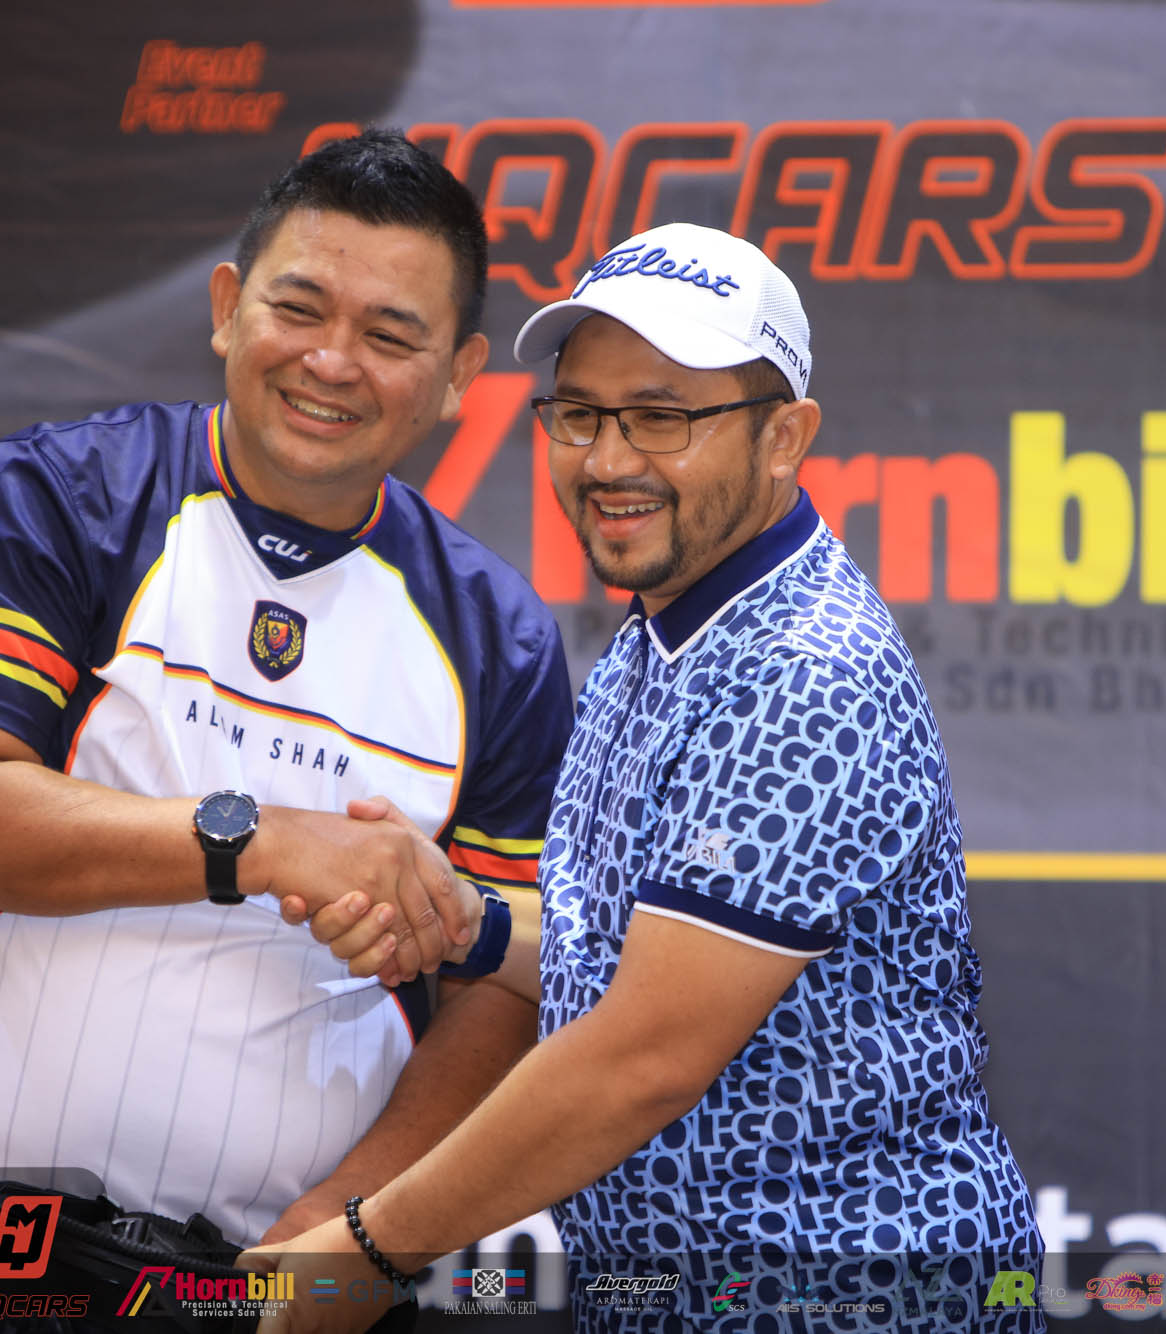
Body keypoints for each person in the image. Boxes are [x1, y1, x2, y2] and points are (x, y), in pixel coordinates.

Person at [0, 129, 573, 1323]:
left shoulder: (501, 637)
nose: (331, 361)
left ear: (457, 375)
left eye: (391, 336)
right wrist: (264, 841)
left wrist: (350, 1222)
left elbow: (506, 983)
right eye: (300, 307)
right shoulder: (60, 498)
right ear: (229, 307)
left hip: (261, 1297)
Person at [256, 222, 1043, 1332]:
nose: (608, 459)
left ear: (784, 437)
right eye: (580, 413)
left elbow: (644, 1056)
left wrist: (369, 1248)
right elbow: (633, 956)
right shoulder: (663, 632)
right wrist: (466, 924)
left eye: (662, 417)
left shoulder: (801, 672)